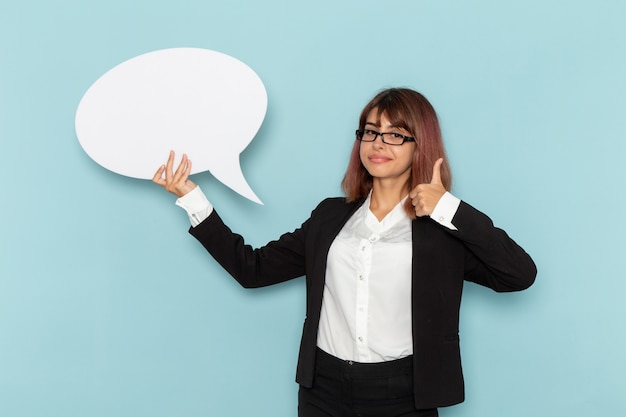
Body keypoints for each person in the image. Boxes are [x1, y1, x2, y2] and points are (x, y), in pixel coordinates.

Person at [152, 88, 537, 417]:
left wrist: (448, 207)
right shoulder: (329, 216)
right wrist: (192, 198)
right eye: (370, 132)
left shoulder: (443, 231)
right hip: (324, 391)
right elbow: (251, 270)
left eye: (395, 134)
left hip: (404, 395)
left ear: (422, 144)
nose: (378, 143)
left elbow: (518, 275)